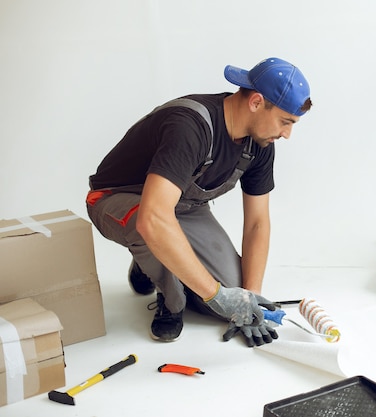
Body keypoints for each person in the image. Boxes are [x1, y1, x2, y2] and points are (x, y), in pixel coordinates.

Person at [86, 57, 312, 346]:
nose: (287, 134)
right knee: (156, 233)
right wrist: (215, 296)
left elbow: (257, 223)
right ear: (256, 102)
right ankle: (170, 295)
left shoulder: (261, 143)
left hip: (183, 207)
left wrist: (248, 295)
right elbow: (153, 217)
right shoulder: (191, 127)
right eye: (285, 121)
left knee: (231, 290)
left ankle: (154, 263)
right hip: (118, 199)